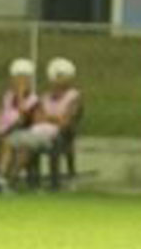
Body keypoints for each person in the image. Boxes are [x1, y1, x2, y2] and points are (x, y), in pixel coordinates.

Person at [6, 58, 83, 188]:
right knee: (9, 141)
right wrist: (55, 118)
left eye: (63, 77)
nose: (59, 80)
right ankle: (3, 176)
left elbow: (65, 122)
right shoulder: (45, 97)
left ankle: (10, 180)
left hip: (55, 136)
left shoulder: (74, 97)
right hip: (36, 132)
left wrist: (48, 118)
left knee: (27, 146)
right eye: (57, 77)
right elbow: (37, 119)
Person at [0, 58, 38, 182]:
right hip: (4, 131)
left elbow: (23, 120)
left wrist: (20, 96)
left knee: (11, 143)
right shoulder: (8, 96)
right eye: (16, 78)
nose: (19, 82)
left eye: (23, 79)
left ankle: (4, 177)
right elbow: (2, 115)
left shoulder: (33, 99)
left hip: (21, 132)